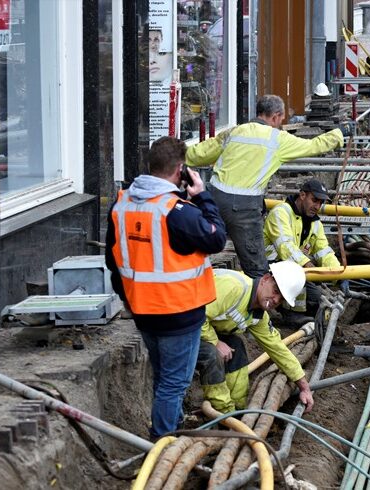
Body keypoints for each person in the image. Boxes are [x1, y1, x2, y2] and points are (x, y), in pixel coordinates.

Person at [105, 137, 227, 438]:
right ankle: (162, 442)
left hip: (143, 312)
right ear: (180, 170)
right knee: (174, 382)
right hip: (179, 313)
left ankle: (170, 425)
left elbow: (113, 261)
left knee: (164, 377)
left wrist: (129, 300)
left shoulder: (121, 206)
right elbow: (216, 238)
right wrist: (202, 197)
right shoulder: (177, 212)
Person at [186, 94, 354, 278]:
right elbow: (315, 145)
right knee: (256, 269)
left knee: (197, 255)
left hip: (213, 199)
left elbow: (198, 154)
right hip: (244, 209)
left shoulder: (235, 131)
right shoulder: (277, 139)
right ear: (275, 116)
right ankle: (255, 303)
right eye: (281, 119)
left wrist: (172, 153)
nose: (280, 123)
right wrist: (340, 132)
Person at [197, 263, 314, 414]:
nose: (275, 299)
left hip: (200, 329)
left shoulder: (258, 315)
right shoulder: (234, 287)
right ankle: (222, 414)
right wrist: (215, 342)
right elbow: (196, 314)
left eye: (280, 299)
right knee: (212, 355)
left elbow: (278, 348)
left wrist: (304, 387)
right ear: (265, 279)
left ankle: (239, 410)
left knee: (236, 346)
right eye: (275, 291)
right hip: (176, 325)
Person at [263, 178, 348, 317]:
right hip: (268, 270)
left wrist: (339, 274)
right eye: (314, 200)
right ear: (302, 195)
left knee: (316, 299)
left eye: (321, 203)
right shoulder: (281, 213)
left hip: (295, 269)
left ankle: (297, 312)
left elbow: (324, 251)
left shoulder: (315, 224)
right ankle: (288, 314)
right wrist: (307, 265)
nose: (317, 206)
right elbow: (286, 247)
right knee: (298, 273)